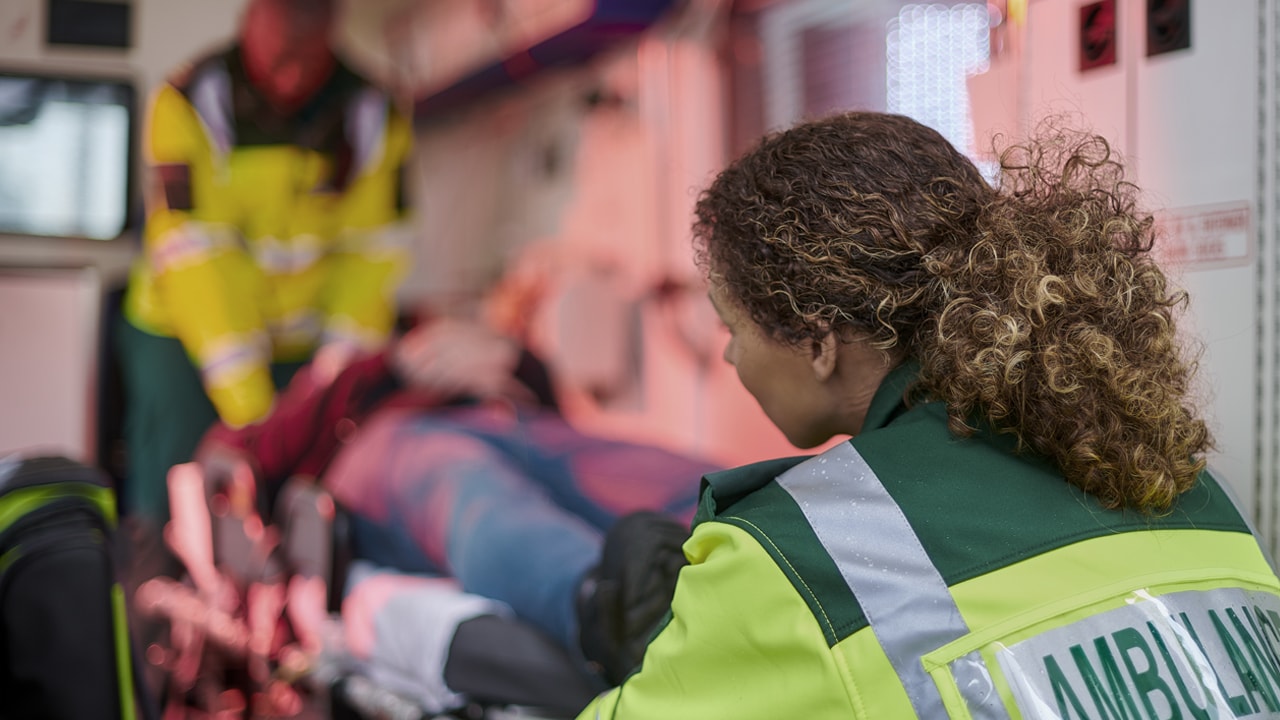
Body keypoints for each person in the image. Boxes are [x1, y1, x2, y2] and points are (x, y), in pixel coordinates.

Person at [576, 112, 1280, 719]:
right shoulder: (1185, 484)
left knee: (509, 491)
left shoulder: (797, 551)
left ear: (818, 341)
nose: (730, 357)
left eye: (731, 326)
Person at [191, 309, 721, 693]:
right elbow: (236, 458)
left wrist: (511, 357)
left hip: (514, 419)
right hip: (386, 446)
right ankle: (619, 608)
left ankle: (760, 543)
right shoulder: (334, 382)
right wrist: (388, 365)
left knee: (652, 472)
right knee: (470, 491)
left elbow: (543, 390)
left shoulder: (436, 323)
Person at [117, 0, 414, 525]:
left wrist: (333, 380)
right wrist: (259, 418)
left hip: (301, 343)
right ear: (249, 22)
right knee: (180, 486)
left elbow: (371, 257)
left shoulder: (373, 113)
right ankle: (154, 577)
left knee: (303, 486)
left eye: (309, 55)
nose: (293, 77)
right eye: (280, 57)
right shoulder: (187, 103)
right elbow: (198, 264)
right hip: (184, 333)